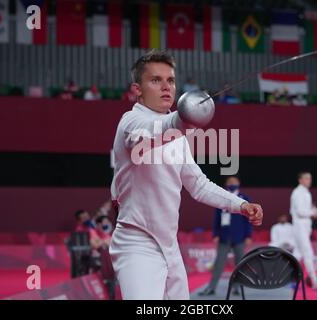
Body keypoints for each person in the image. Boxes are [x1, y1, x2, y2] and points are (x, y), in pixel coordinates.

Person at [109, 50, 263, 300]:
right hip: (137, 245)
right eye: (155, 80)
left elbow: (199, 185)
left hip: (170, 248)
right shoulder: (131, 122)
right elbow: (148, 134)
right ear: (137, 89)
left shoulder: (176, 137)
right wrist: (182, 121)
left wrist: (241, 205)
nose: (166, 86)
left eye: (170, 80)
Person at [199, 176, 252, 296]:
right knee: (219, 263)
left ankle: (238, 288)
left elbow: (248, 219)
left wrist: (248, 235)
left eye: (234, 181)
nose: (232, 183)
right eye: (230, 182)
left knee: (240, 263)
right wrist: (215, 234)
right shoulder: (222, 197)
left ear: (239, 183)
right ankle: (211, 287)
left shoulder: (245, 199)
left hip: (240, 237)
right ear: (226, 184)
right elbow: (216, 218)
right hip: (224, 236)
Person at [290, 172, 317, 290]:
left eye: (310, 178)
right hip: (300, 225)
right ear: (300, 180)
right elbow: (300, 211)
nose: (309, 180)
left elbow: (305, 210)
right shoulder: (298, 193)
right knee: (308, 253)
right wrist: (313, 212)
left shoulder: (306, 192)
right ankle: (315, 282)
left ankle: (292, 280)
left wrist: (312, 211)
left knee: (297, 254)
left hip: (305, 226)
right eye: (306, 178)